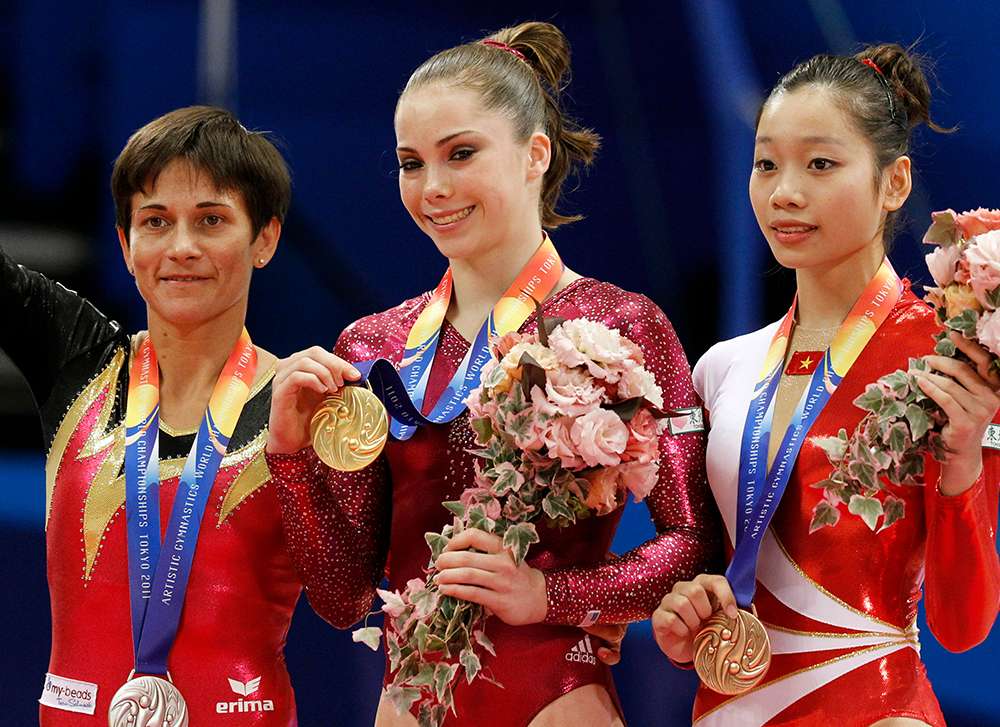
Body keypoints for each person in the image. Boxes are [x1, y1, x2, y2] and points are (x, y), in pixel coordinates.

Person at [266, 21, 720, 727]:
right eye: (411, 163)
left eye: (461, 153)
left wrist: (549, 595)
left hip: (556, 700)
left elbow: (694, 548)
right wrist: (290, 457)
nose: (434, 186)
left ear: (535, 153)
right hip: (409, 703)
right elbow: (345, 597)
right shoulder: (372, 346)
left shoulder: (621, 326)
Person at [652, 44, 1000, 726]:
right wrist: (680, 619)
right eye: (766, 163)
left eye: (820, 163)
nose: (784, 191)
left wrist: (961, 465)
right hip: (725, 709)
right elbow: (704, 573)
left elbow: (963, 626)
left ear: (894, 182)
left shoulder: (954, 354)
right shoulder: (721, 367)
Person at [6, 106, 302, 725]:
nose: (182, 248)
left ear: (265, 239)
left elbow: (350, 597)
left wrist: (299, 458)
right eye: (156, 222)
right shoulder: (80, 365)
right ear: (125, 242)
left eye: (212, 220)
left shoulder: (303, 404)